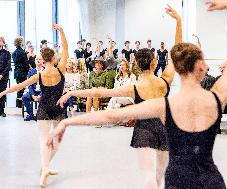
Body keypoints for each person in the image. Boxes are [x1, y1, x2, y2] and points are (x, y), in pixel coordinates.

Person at [49, 1, 227, 188]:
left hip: (175, 177)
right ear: (202, 66)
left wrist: (67, 118)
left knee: (150, 176)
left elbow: (108, 111)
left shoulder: (160, 105)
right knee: (157, 173)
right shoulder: (214, 98)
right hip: (210, 181)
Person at [56, 5, 182, 188]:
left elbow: (99, 92)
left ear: (137, 65)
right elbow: (176, 49)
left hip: (144, 131)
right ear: (155, 63)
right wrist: (178, 21)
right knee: (158, 176)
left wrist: (72, 92)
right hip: (165, 129)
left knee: (148, 176)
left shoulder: (134, 88)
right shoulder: (165, 80)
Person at [0, 24, 69, 188]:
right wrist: (61, 31)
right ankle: (45, 167)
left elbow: (18, 87)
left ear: (43, 58)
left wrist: (0, 94)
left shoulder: (39, 75)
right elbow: (66, 47)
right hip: (58, 109)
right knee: (56, 141)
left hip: (43, 108)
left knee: (43, 140)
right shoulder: (61, 70)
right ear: (54, 58)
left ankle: (45, 167)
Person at [22, 54, 44, 121]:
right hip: (33, 92)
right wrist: (33, 95)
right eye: (36, 59)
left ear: (43, 61)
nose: (38, 60)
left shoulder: (46, 71)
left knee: (46, 98)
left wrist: (40, 95)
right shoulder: (31, 72)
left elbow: (47, 86)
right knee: (24, 97)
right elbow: (29, 85)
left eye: (40, 59)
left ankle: (39, 115)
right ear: (34, 61)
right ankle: (31, 115)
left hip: (43, 92)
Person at [12, 36, 30, 108]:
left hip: (17, 72)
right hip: (22, 73)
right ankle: (19, 105)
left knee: (19, 88)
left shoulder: (14, 52)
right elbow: (25, 64)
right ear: (20, 43)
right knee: (21, 89)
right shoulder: (22, 52)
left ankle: (18, 104)